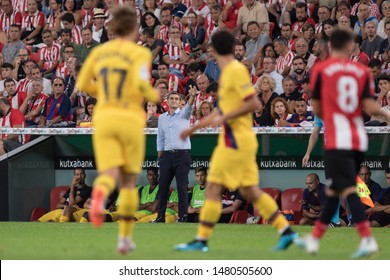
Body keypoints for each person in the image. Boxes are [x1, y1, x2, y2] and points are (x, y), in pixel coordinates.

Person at [175, 30, 298, 253]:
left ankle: (201, 240)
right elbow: (222, 110)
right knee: (250, 191)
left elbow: (253, 104)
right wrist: (194, 128)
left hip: (235, 140)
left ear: (213, 49)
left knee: (213, 187)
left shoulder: (234, 71)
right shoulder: (228, 72)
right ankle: (286, 231)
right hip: (235, 139)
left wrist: (224, 117)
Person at [296, 29, 390, 258]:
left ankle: (366, 240)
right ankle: (316, 240)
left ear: (329, 47)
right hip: (358, 137)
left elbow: (317, 110)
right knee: (338, 188)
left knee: (345, 189)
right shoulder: (361, 71)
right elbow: (371, 108)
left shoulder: (321, 70)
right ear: (350, 46)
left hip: (338, 138)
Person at [76, 6, 159, 255]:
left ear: (110, 28)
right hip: (130, 119)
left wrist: (103, 91)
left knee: (109, 172)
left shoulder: (100, 53)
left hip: (104, 117)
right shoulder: (140, 54)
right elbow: (146, 90)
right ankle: (124, 239)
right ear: (134, 29)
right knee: (129, 180)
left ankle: (99, 195)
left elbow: (83, 84)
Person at [153, 90, 196, 223]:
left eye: (177, 99)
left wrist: (192, 96)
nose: (174, 101)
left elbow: (189, 107)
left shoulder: (184, 114)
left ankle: (183, 216)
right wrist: (160, 155)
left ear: (179, 102)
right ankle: (160, 216)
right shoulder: (162, 118)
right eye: (172, 98)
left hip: (182, 155)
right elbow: (160, 137)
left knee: (182, 186)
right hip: (166, 155)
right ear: (167, 101)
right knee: (163, 186)